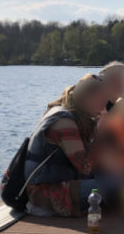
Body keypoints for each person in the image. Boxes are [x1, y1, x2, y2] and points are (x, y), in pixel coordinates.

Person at [24, 73, 110, 217]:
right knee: (119, 186)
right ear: (85, 98)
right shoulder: (63, 122)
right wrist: (101, 132)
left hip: (67, 185)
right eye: (101, 101)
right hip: (48, 194)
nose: (103, 106)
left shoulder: (78, 116)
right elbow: (85, 166)